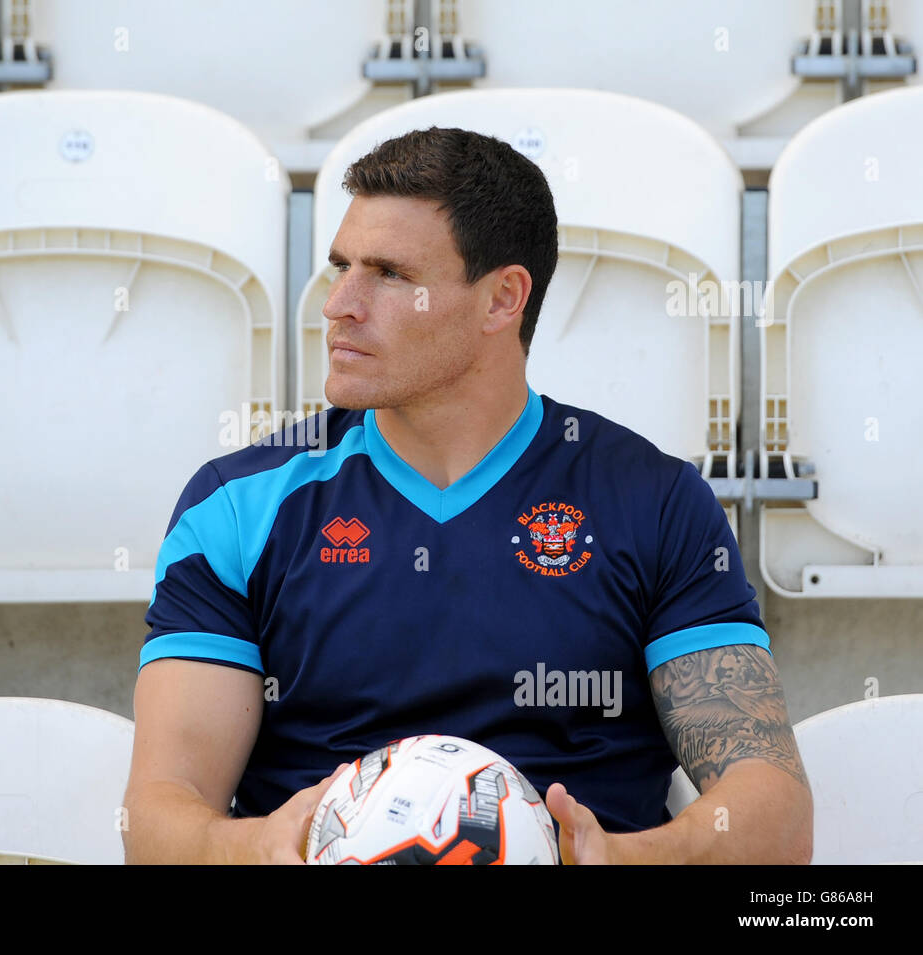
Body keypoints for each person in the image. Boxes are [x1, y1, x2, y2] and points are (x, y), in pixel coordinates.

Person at [122, 126, 813, 864]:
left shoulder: (654, 502)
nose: (340, 304)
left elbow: (772, 813)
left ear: (501, 299)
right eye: (340, 267)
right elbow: (159, 816)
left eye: (388, 273)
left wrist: (621, 858)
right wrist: (259, 848)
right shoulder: (238, 504)